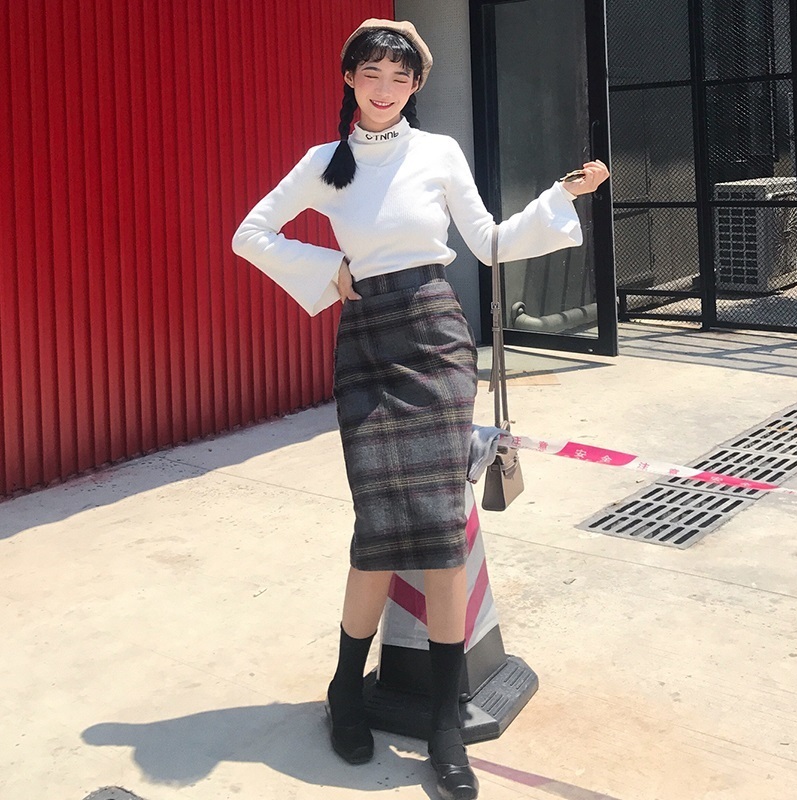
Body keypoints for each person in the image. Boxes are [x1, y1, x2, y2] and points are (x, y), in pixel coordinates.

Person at [232, 18, 609, 800]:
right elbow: (251, 233)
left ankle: (444, 721)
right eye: (371, 73)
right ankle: (346, 688)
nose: (385, 88)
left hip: (436, 339)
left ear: (415, 87)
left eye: (399, 77)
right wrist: (330, 270)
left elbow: (490, 240)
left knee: (441, 534)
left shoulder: (438, 152)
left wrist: (560, 197)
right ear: (349, 77)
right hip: (367, 342)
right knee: (376, 533)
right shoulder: (323, 163)